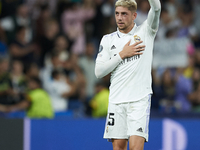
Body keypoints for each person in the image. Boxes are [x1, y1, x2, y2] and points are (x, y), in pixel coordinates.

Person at [95, 0, 161, 149]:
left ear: (134, 15)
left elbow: (156, 8)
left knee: (135, 148)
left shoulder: (146, 31)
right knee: (118, 147)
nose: (119, 18)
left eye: (124, 14)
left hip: (139, 100)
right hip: (116, 101)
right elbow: (99, 72)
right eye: (117, 13)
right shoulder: (107, 40)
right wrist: (121, 54)